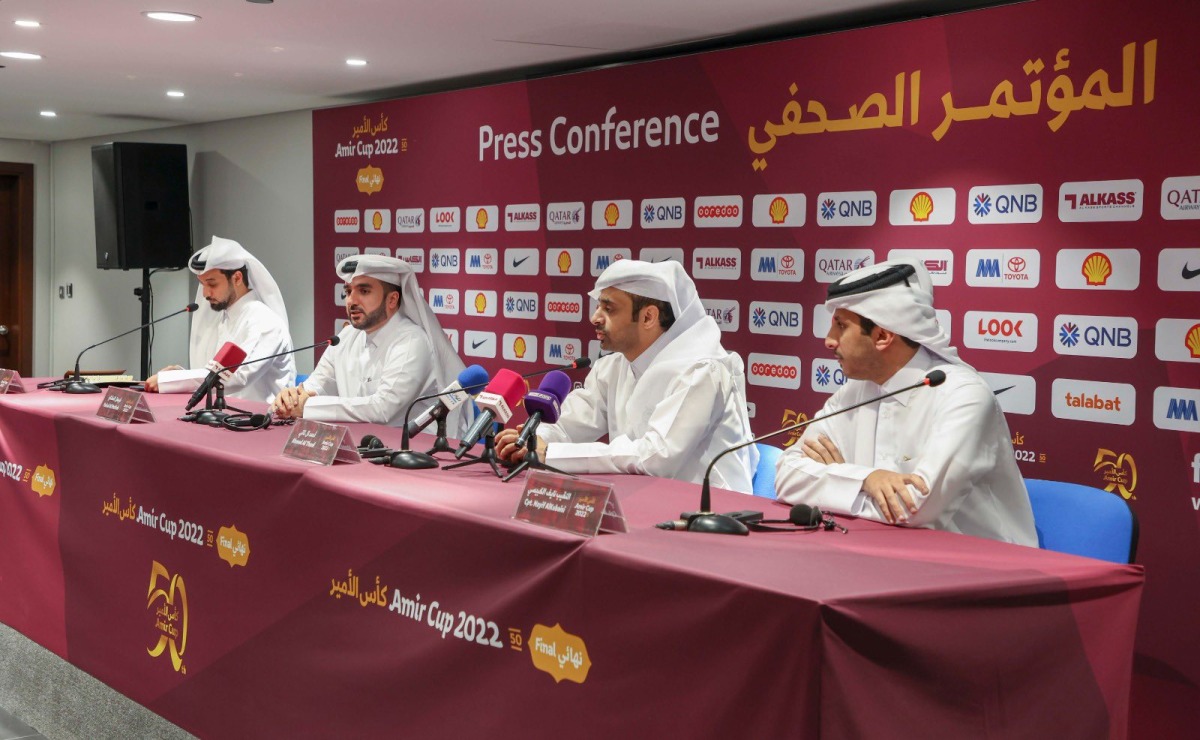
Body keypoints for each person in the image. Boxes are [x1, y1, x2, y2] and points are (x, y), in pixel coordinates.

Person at [774, 259, 1037, 546]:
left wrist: (834, 483)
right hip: (880, 553)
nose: (829, 340)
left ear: (882, 336)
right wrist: (867, 480)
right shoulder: (853, 392)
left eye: (841, 326)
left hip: (981, 564)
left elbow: (914, 509)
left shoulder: (964, 395)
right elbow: (787, 476)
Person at [496, 259, 757, 493]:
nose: (594, 318)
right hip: (643, 502)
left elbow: (656, 457)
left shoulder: (702, 371)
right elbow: (569, 423)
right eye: (598, 306)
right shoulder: (613, 367)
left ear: (648, 317)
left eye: (608, 309)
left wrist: (552, 453)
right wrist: (534, 440)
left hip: (712, 515)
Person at [272, 254, 465, 427]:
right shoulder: (345, 337)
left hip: (412, 448)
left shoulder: (412, 341)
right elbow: (316, 386)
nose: (352, 301)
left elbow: (382, 409)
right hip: (361, 443)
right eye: (348, 292)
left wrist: (308, 406)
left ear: (392, 300)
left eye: (364, 291)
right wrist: (292, 399)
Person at [146, 236, 294, 403]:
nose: (205, 293)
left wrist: (171, 381)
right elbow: (213, 371)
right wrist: (180, 374)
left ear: (237, 278)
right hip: (227, 414)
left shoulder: (264, 321)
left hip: (260, 417)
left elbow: (236, 376)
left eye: (212, 284)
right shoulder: (224, 317)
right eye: (202, 284)